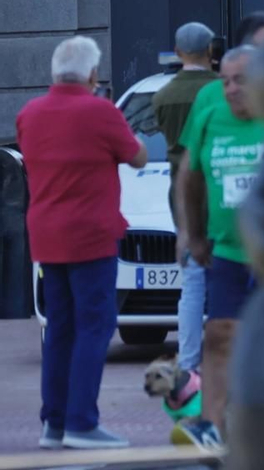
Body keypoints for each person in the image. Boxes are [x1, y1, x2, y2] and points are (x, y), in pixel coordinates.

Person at [19, 35, 146, 452]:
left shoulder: (29, 114)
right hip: (91, 234)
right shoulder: (100, 111)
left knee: (60, 328)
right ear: (93, 75)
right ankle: (81, 422)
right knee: (96, 326)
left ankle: (53, 423)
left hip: (47, 234)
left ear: (54, 72)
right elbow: (137, 156)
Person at [176, 45, 264, 439]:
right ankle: (212, 427)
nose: (231, 89)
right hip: (228, 250)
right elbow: (188, 176)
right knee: (218, 336)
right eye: (225, 80)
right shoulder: (211, 115)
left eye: (241, 80)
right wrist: (192, 234)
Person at [152, 21, 219, 376]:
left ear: (178, 53)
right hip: (218, 192)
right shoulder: (222, 90)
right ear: (212, 51)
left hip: (182, 197)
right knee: (228, 282)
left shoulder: (163, 96)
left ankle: (189, 361)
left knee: (191, 285)